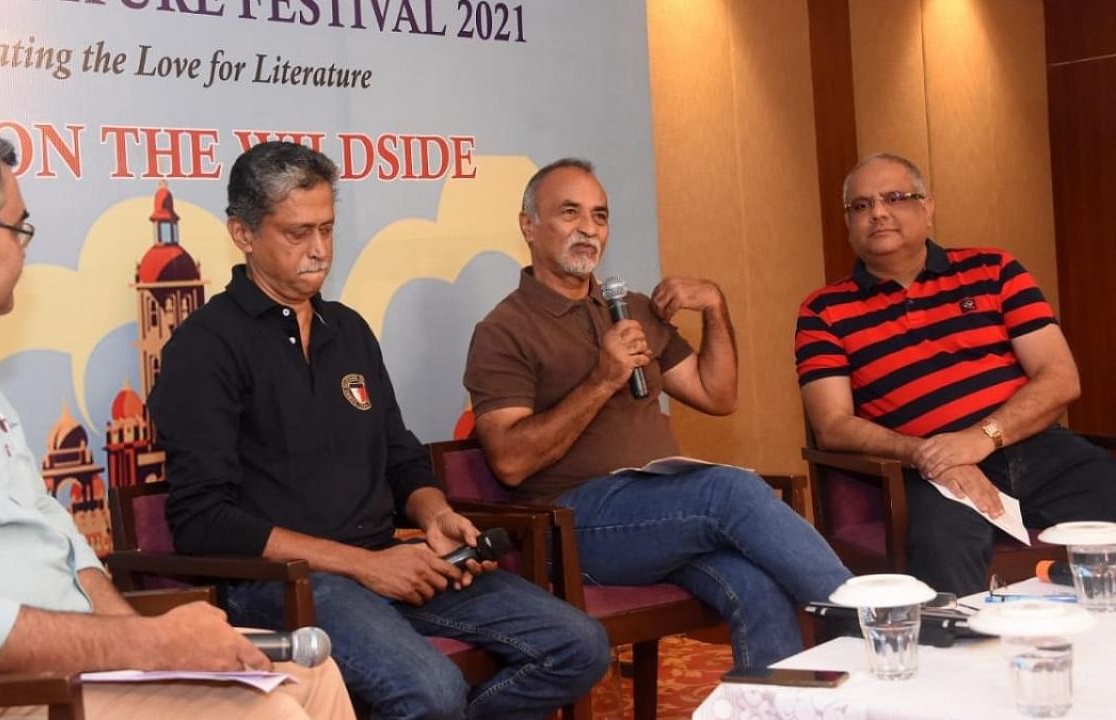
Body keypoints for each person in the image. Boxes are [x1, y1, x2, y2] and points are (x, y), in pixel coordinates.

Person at [0, 117, 354, 720]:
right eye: (17, 228)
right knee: (267, 713)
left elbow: (52, 533)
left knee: (309, 678)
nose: (24, 249)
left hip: (60, 667)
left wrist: (149, 649)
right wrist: (149, 643)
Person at [149, 141, 609, 720]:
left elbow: (401, 459)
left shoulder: (349, 331)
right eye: (297, 233)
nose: (319, 251)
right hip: (286, 583)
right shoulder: (207, 346)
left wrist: (435, 515)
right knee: (432, 692)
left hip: (386, 559)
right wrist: (363, 565)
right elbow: (202, 520)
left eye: (328, 228)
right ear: (243, 234)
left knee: (579, 645)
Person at [463, 158, 852, 670]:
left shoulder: (634, 308)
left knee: (756, 586)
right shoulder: (503, 329)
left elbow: (717, 395)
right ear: (528, 225)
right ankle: (867, 618)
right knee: (728, 490)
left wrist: (714, 305)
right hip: (572, 527)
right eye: (569, 213)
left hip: (664, 512)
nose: (588, 228)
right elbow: (511, 460)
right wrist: (603, 378)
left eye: (600, 216)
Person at [795, 152, 1116, 596]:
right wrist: (930, 454)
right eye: (861, 205)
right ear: (848, 222)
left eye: (894, 198)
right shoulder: (823, 311)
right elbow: (832, 426)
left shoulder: (994, 270)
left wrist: (981, 438)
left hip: (1035, 447)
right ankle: (955, 659)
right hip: (930, 472)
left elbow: (1061, 378)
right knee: (942, 547)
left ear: (927, 208)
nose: (878, 213)